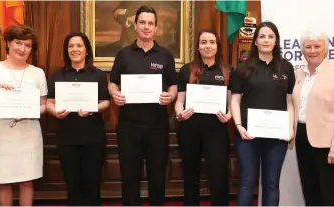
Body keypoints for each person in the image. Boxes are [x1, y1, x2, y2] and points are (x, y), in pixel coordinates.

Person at [108, 6, 177, 206]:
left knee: (157, 176)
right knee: (129, 176)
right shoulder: (123, 54)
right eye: (142, 23)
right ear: (135, 25)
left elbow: (173, 85)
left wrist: (170, 96)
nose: (146, 27)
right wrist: (115, 94)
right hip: (129, 126)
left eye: (150, 23)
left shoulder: (165, 55)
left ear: (156, 28)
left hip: (157, 126)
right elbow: (112, 82)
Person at [230, 21, 295, 206]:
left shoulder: (286, 68)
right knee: (247, 182)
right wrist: (239, 126)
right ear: (255, 41)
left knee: (272, 183)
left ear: (276, 41)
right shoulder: (243, 68)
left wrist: (289, 128)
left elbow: (289, 102)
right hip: (247, 134)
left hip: (277, 136)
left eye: (271, 36)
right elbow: (234, 100)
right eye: (262, 36)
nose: (266, 40)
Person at [46, 32, 110, 206]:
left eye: (79, 45)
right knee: (72, 184)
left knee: (92, 183)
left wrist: (93, 108)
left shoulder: (97, 75)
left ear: (86, 50)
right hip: (67, 137)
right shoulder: (58, 75)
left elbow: (106, 102)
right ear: (67, 50)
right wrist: (55, 112)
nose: (75, 49)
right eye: (71, 46)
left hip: (92, 138)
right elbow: (49, 103)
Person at [175, 29, 232, 206]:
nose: (208, 46)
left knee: (218, 175)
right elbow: (179, 101)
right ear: (198, 47)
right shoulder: (187, 70)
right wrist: (179, 113)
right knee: (190, 174)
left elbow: (232, 103)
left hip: (217, 130)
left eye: (212, 42)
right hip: (189, 129)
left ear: (218, 46)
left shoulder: (227, 71)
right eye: (204, 42)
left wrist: (229, 116)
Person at [0, 24, 47, 206]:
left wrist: (28, 112)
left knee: (27, 180)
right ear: (8, 43)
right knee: (3, 182)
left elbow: (44, 105)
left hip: (28, 135)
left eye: (28, 45)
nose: (22, 49)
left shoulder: (37, 73)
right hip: (1, 134)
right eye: (18, 43)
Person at [292, 30, 334, 206]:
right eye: (308, 47)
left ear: (326, 48)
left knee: (328, 193)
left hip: (327, 142)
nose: (312, 50)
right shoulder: (298, 73)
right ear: (302, 50)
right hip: (302, 137)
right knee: (310, 191)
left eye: (317, 46)